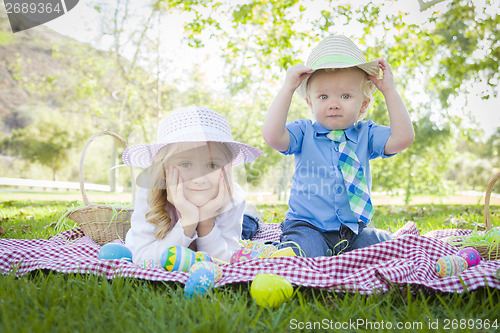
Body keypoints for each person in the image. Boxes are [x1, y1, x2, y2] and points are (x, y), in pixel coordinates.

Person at [262, 35, 414, 257]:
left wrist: (389, 91)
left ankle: (355, 253)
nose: (333, 104)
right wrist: (287, 89)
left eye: (345, 96)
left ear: (363, 104)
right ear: (310, 102)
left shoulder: (366, 134)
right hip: (307, 225)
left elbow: (403, 138)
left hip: (353, 230)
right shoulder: (304, 132)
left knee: (384, 249)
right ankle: (280, 249)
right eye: (323, 96)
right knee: (307, 255)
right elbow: (272, 136)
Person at [123, 106, 263, 264]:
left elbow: (225, 260)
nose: (199, 179)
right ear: (163, 167)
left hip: (220, 230)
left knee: (248, 226)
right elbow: (144, 260)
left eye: (212, 165)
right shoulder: (150, 191)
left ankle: (252, 216)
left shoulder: (232, 196)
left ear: (227, 168)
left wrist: (205, 221)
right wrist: (188, 220)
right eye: (185, 164)